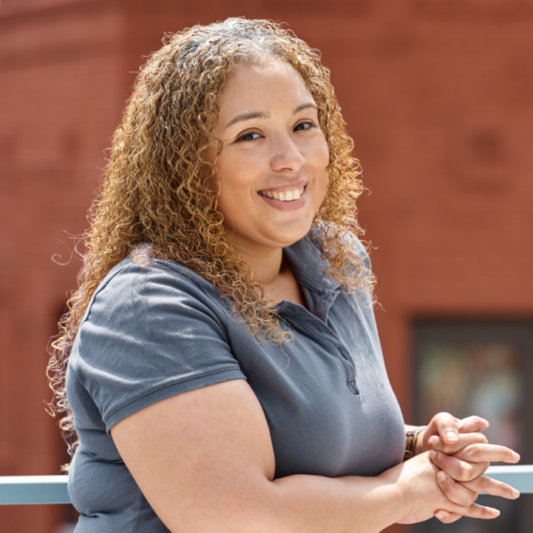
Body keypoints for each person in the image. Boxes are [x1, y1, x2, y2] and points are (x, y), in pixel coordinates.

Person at [47, 18, 520, 533]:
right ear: (186, 167)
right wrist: (407, 492)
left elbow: (307, 434)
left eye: (303, 125)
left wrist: (417, 446)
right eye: (250, 135)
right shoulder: (147, 304)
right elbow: (236, 517)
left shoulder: (334, 260)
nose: (291, 160)